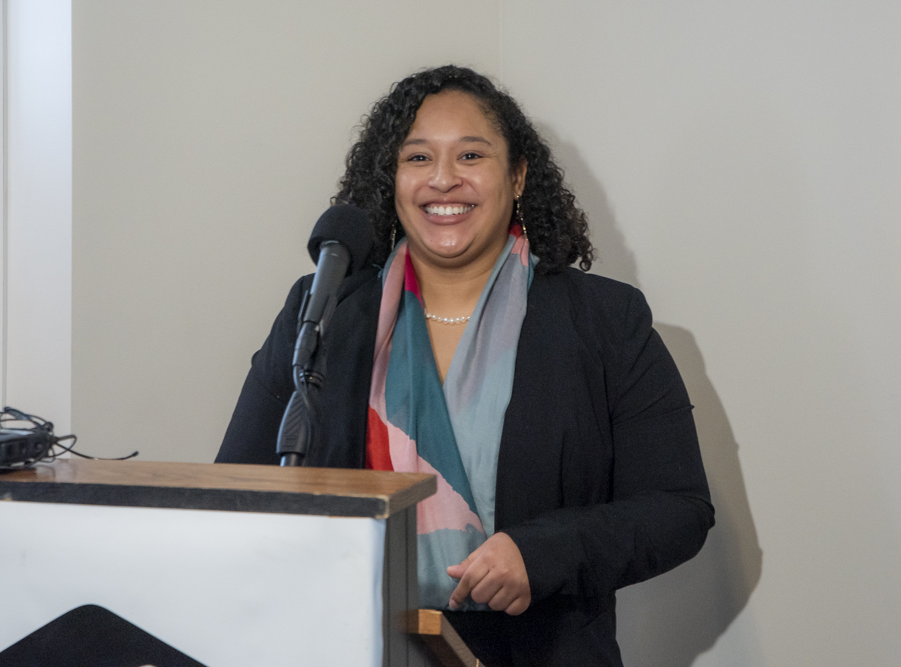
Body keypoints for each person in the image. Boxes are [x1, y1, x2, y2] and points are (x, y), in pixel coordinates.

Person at [215, 65, 714, 666]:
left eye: (470, 155)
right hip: (346, 646)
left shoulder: (603, 320)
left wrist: (544, 552)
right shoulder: (322, 313)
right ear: (391, 179)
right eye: (418, 158)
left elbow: (678, 508)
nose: (443, 180)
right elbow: (235, 488)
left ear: (518, 174)